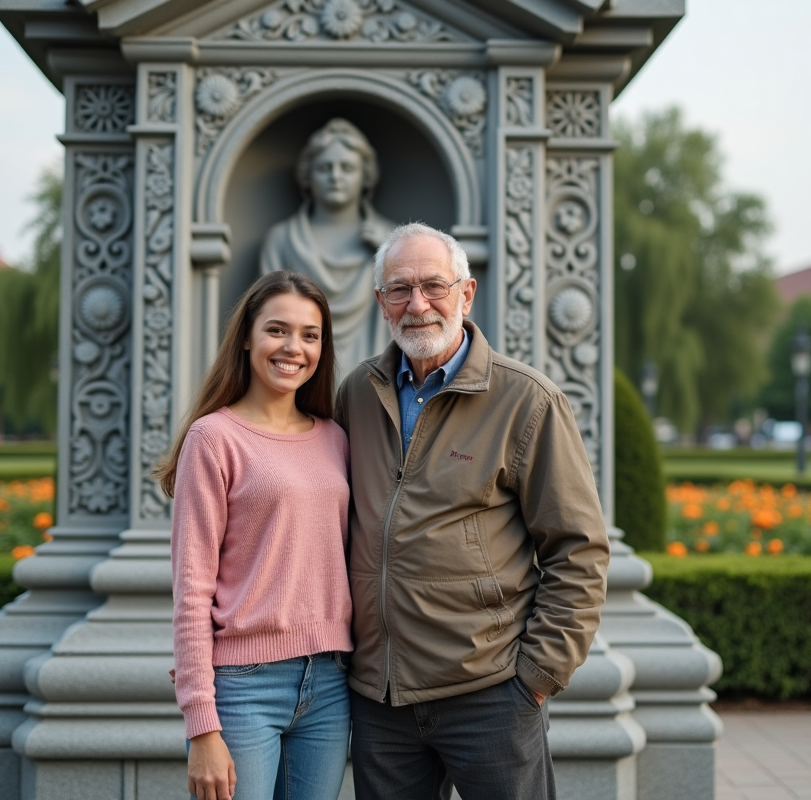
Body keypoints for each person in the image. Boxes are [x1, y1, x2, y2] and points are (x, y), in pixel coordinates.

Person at [334, 222, 611, 800]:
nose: (418, 305)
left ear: (467, 293)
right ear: (381, 301)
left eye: (434, 285)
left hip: (490, 693)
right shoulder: (356, 394)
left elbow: (577, 549)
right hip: (380, 701)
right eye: (400, 289)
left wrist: (537, 677)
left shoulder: (527, 400)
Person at [158, 271, 353, 800]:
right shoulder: (214, 438)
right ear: (246, 336)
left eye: (310, 335)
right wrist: (202, 724)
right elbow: (192, 587)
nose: (294, 348)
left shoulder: (336, 438)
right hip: (243, 687)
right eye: (277, 330)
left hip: (331, 683)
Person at [260, 118, 395, 378]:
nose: (335, 177)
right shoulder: (283, 239)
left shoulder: (391, 242)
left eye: (346, 168)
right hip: (296, 370)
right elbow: (267, 315)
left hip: (374, 378)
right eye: (324, 168)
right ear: (307, 175)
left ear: (365, 175)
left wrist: (388, 255)